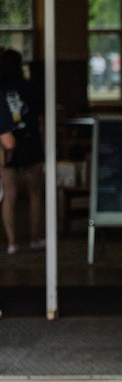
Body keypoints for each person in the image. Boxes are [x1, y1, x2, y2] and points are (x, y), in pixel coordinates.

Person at [0, 48, 44, 255]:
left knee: (9, 194)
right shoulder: (30, 87)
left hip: (6, 145)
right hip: (31, 142)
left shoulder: (0, 89)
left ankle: (12, 243)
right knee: (35, 194)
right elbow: (40, 118)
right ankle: (35, 239)